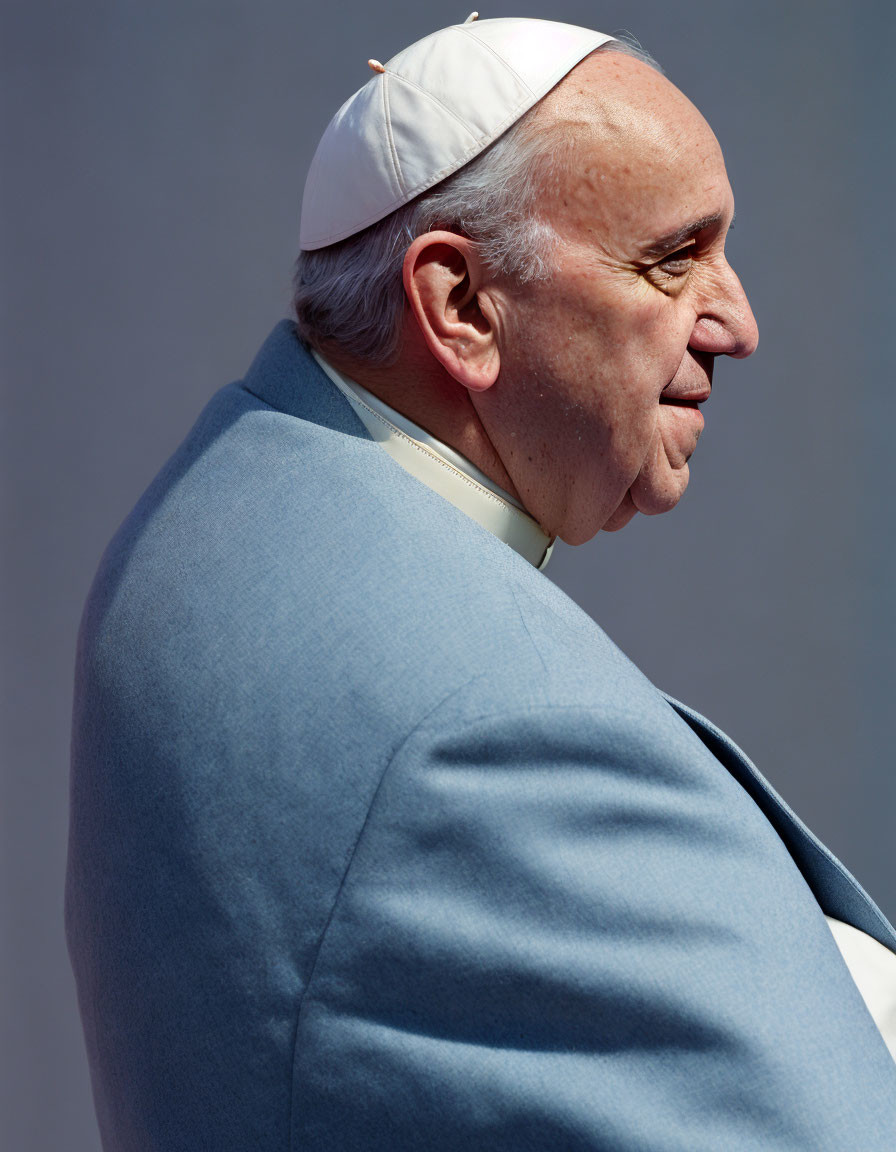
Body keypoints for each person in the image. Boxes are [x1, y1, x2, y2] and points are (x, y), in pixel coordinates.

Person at [66, 15, 896, 1150]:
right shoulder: (495, 734)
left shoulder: (216, 512)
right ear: (459, 306)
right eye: (671, 259)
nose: (736, 323)